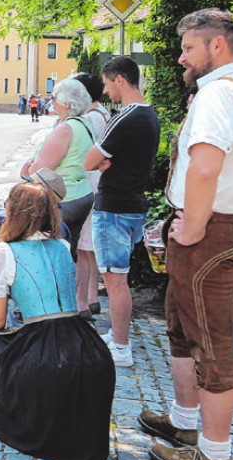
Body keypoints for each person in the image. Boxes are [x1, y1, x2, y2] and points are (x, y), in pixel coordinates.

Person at [140, 9, 233, 460]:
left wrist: (194, 225)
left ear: (217, 45)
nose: (181, 58)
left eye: (188, 47)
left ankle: (214, 455)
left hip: (213, 230)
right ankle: (183, 422)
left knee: (210, 342)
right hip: (228, 222)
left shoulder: (219, 94)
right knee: (182, 325)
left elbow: (204, 166)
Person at [0, 180, 115, 460]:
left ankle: (16, 417)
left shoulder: (5, 252)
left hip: (45, 354)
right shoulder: (63, 245)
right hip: (90, 349)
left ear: (12, 212)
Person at [81, 57, 160, 368]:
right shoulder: (149, 115)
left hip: (114, 206)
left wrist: (101, 161)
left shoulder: (125, 116)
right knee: (118, 278)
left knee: (115, 281)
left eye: (107, 83)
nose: (104, 90)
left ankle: (122, 347)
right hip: (132, 204)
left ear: (121, 81)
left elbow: (89, 161)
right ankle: (117, 337)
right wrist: (104, 161)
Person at [20, 78, 95, 260]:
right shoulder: (84, 124)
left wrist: (26, 170)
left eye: (54, 97)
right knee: (69, 254)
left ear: (67, 103)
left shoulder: (66, 129)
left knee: (50, 256)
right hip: (81, 194)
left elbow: (39, 170)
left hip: (62, 198)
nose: (51, 101)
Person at [71, 72, 112, 319]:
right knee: (90, 248)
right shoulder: (104, 113)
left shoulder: (89, 119)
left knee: (83, 249)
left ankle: (84, 301)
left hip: (89, 184)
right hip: (101, 184)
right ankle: (93, 298)